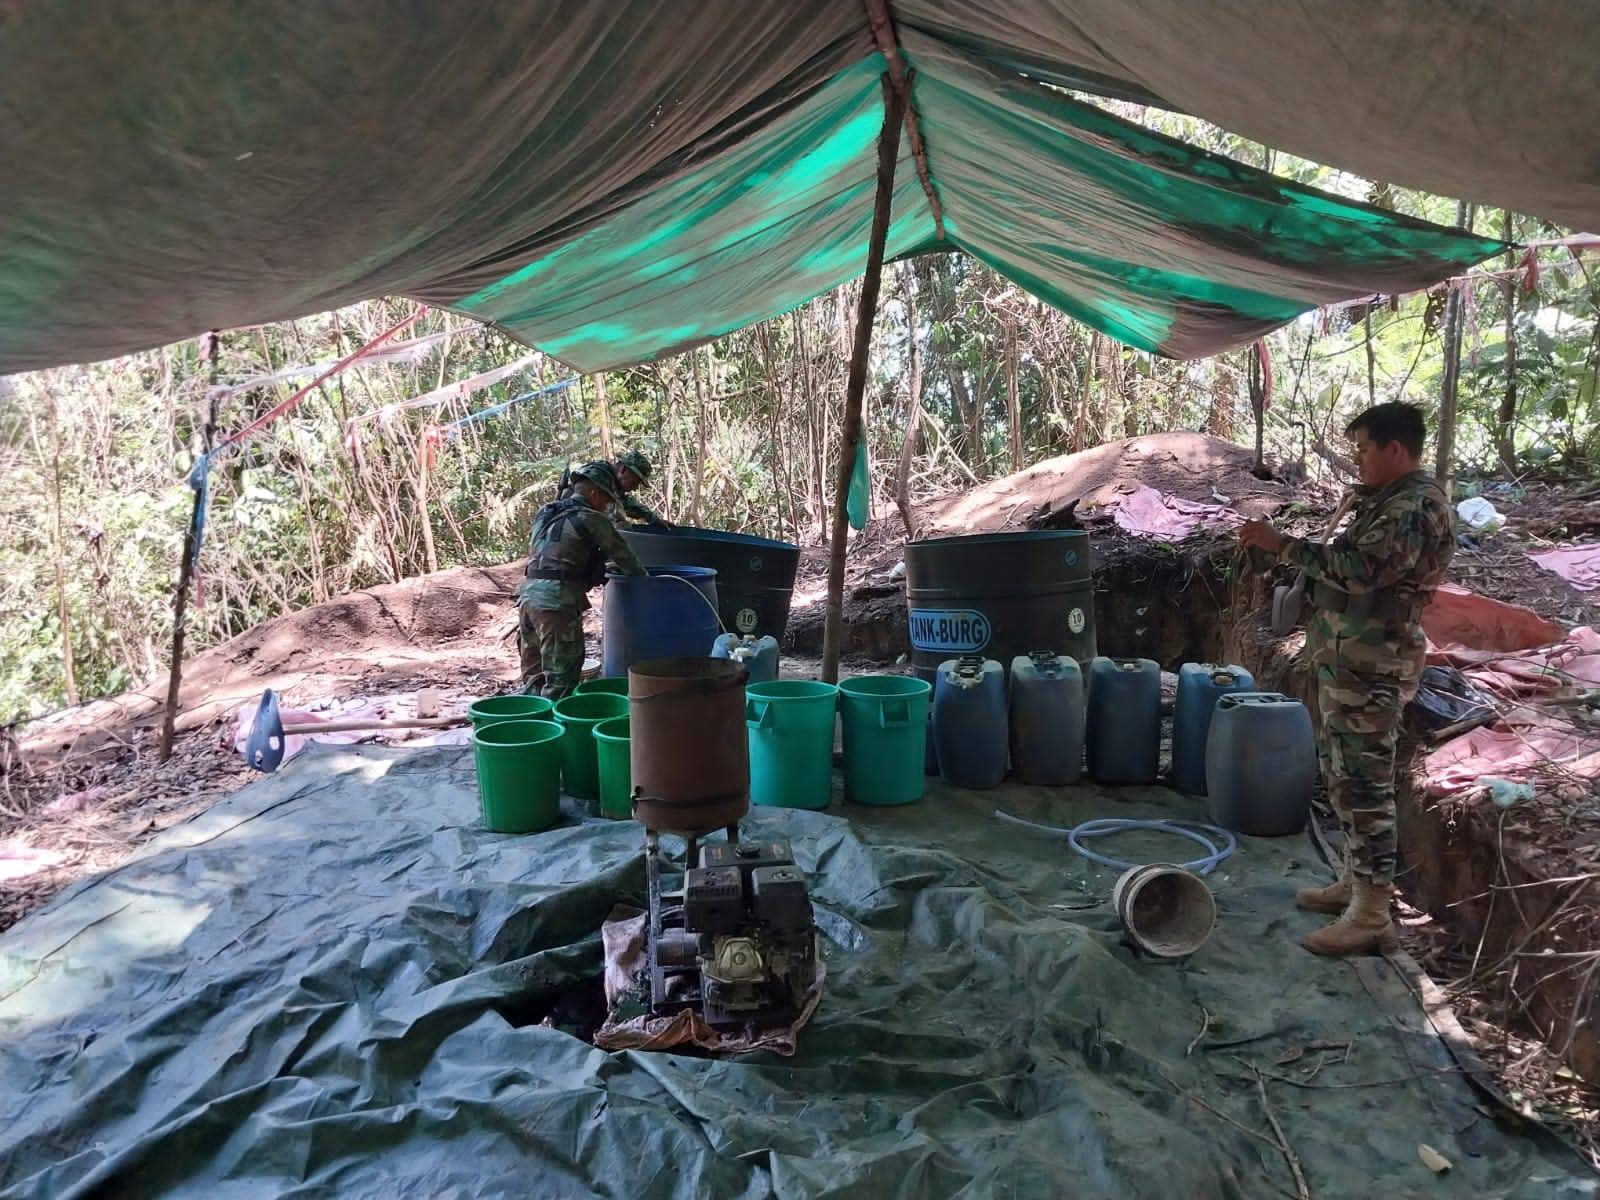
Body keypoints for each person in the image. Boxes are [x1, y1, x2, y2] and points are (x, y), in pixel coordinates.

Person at [1238, 402, 1454, 957]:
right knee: (1342, 776)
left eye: (1363, 450)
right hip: (1350, 661)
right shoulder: (1385, 501)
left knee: (1365, 787)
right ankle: (1357, 882)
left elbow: (1361, 571)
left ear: (1395, 449)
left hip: (1374, 666)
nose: (1356, 460)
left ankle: (1372, 914)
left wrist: (1282, 544)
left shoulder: (1415, 507)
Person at [518, 462, 647, 698]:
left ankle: (529, 717)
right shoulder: (592, 518)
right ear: (594, 493)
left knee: (534, 676)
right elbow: (627, 560)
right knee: (562, 680)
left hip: (527, 597)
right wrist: (649, 584)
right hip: (556, 603)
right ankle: (554, 721)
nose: (606, 506)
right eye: (606, 499)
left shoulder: (546, 511)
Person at [558, 448, 672, 530]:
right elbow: (616, 519)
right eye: (635, 482)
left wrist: (653, 518)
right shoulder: (598, 476)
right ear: (623, 470)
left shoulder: (613, 482)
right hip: (565, 530)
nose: (635, 487)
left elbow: (628, 503)